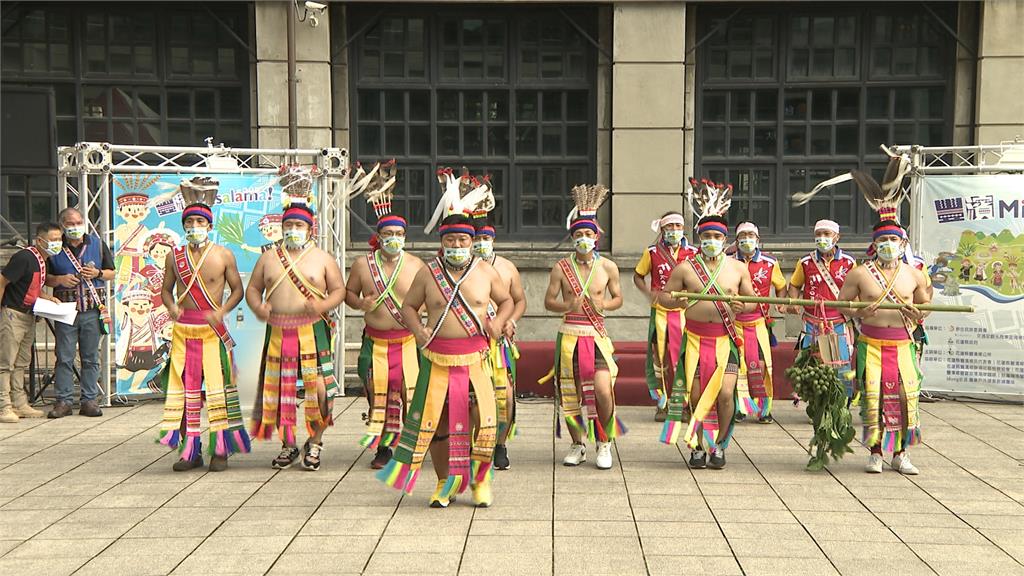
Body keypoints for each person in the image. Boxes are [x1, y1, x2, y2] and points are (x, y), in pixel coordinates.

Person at [378, 171, 512, 508]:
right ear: (443, 242)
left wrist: (500, 323)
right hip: (437, 358)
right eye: (450, 241)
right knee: (435, 422)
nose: (456, 246)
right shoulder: (427, 273)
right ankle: (443, 482)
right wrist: (419, 331)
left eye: (463, 241)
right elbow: (409, 307)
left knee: (483, 419)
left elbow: (512, 300)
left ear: (471, 242)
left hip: (476, 358)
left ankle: (481, 481)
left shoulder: (485, 271)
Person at [247, 190, 346, 472]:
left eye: (298, 226)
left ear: (310, 228)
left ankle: (315, 442)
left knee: (321, 391)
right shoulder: (268, 258)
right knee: (280, 391)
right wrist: (258, 307)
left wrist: (323, 304)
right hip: (278, 330)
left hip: (312, 331)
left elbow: (339, 290)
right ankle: (287, 444)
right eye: (288, 225)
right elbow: (253, 289)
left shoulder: (323, 257)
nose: (293, 230)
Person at [658, 184, 754, 470]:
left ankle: (721, 446)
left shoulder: (737, 268)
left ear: (725, 240)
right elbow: (664, 296)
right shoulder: (686, 268)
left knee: (726, 396)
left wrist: (741, 305)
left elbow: (751, 301)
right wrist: (677, 300)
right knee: (697, 395)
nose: (711, 240)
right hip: (696, 340)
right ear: (699, 238)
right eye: (707, 236)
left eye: (717, 236)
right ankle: (699, 446)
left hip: (725, 339)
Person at [157, 180, 250, 471]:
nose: (194, 225)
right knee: (185, 393)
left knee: (217, 391)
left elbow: (238, 290)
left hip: (212, 332)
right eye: (190, 221)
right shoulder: (174, 256)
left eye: (200, 221)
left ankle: (220, 449)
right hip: (184, 332)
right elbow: (165, 290)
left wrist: (222, 310)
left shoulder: (223, 255)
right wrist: (171, 307)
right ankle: (190, 450)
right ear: (184, 225)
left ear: (209, 225)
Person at [346, 165, 425, 469]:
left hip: (406, 340)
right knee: (375, 392)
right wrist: (360, 303)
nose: (394, 238)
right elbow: (348, 294)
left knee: (410, 393)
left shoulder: (416, 264)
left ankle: (409, 443)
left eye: (399, 234)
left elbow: (428, 300)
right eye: (388, 234)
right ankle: (383, 445)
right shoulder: (362, 265)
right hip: (375, 341)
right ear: (378, 237)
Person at [542, 184, 626, 471]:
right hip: (569, 336)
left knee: (602, 389)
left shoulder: (609, 268)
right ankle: (577, 443)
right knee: (571, 392)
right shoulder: (561, 268)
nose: (583, 239)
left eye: (588, 234)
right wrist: (566, 306)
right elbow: (548, 301)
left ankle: (604, 442)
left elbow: (618, 298)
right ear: (572, 237)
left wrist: (604, 307)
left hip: (596, 335)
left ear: (597, 237)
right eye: (578, 234)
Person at [838, 220, 930, 475]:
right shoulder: (860, 273)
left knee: (904, 398)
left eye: (893, 240)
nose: (888, 245)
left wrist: (918, 314)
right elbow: (841, 304)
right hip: (871, 344)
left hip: (902, 344)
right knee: (873, 399)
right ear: (874, 244)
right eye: (883, 240)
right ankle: (875, 452)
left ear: (902, 244)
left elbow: (926, 304)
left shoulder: (914, 273)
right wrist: (859, 310)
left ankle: (901, 453)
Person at [45, 208, 115, 418]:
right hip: (65, 310)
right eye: (71, 223)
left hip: (92, 310)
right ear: (63, 225)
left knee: (91, 357)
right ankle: (64, 401)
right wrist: (59, 280)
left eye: (79, 222)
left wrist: (98, 273)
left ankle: (89, 400)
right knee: (64, 357)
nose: (76, 227)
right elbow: (43, 277)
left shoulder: (97, 244)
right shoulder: (55, 246)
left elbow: (112, 272)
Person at [472, 212, 526, 470]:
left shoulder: (506, 268)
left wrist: (511, 320)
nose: (481, 242)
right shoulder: (463, 269)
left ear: (493, 239)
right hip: (471, 342)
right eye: (477, 238)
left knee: (505, 395)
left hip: (499, 344)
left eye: (486, 238)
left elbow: (519, 300)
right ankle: (473, 443)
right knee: (473, 397)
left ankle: (500, 444)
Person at [633, 211, 696, 422]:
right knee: (659, 358)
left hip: (684, 313)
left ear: (684, 229)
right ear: (662, 230)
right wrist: (647, 293)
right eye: (670, 227)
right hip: (660, 312)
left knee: (684, 358)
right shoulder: (651, 252)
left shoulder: (694, 252)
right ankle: (663, 403)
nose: (674, 231)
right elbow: (638, 276)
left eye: (678, 226)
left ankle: (685, 404)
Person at [0, 222, 64, 423]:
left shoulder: (43, 260)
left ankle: (20, 403)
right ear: (40, 240)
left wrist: (47, 297)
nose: (57, 243)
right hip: (12, 313)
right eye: (53, 240)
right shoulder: (24, 257)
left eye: (59, 239)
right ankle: (4, 406)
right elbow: (3, 281)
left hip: (29, 315)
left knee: (21, 362)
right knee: (5, 363)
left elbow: (31, 286)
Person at [787, 220, 858, 397]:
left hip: (838, 322)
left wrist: (856, 309)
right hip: (812, 322)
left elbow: (858, 288)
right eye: (819, 234)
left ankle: (840, 402)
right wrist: (794, 302)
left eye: (826, 234)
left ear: (837, 237)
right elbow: (794, 285)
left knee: (840, 364)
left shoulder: (849, 262)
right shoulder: (805, 262)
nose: (822, 238)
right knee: (811, 364)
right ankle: (814, 402)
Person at [731, 221, 787, 424]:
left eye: (750, 236)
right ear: (736, 240)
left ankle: (764, 408)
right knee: (737, 366)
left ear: (758, 239)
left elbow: (781, 286)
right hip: (733, 321)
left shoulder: (770, 262)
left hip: (759, 322)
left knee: (763, 365)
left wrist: (780, 303)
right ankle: (739, 407)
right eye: (742, 236)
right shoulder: (728, 261)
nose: (747, 240)